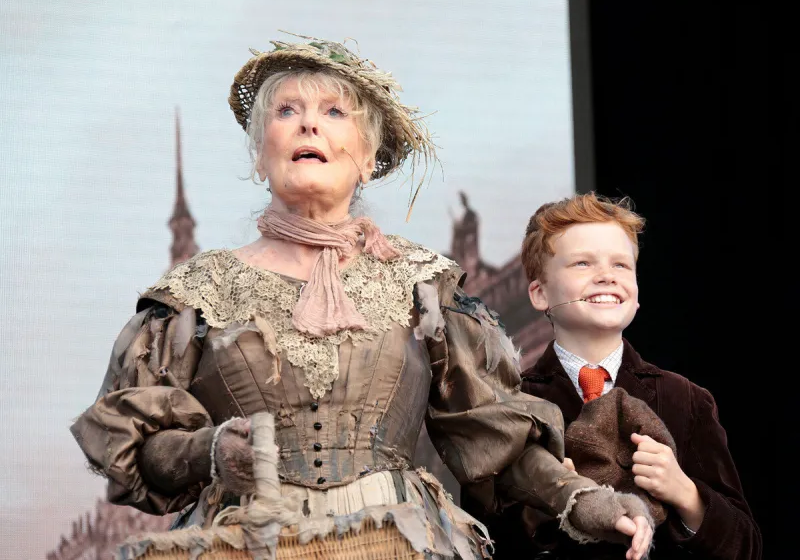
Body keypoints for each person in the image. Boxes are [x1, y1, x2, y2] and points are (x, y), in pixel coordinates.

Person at [69, 35, 654, 560]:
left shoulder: (423, 285)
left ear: (369, 158)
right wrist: (210, 450)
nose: (307, 125)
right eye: (286, 111)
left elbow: (495, 439)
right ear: (259, 153)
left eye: (332, 112)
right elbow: (137, 446)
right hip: (247, 544)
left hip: (396, 543)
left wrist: (583, 500)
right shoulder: (196, 294)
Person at [463, 192, 761, 559]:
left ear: (636, 294)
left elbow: (746, 546)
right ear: (539, 294)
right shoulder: (509, 404)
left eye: (621, 265)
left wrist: (685, 492)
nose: (606, 276)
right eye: (583, 264)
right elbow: (477, 542)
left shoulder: (685, 399)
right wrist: (543, 503)